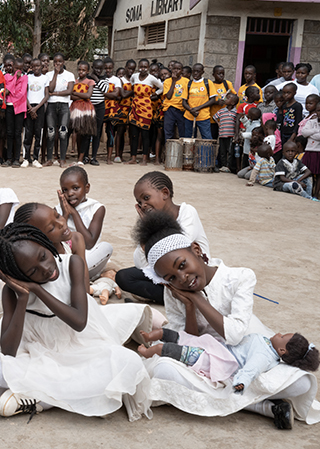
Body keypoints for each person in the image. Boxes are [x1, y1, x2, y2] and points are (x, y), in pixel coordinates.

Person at [131, 212, 320, 429]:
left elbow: (235, 334)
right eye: (171, 278)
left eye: (182, 265)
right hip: (207, 360)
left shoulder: (240, 277)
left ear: (196, 250)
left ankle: (242, 395)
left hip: (246, 354)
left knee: (301, 384)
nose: (181, 278)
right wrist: (189, 308)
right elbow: (188, 342)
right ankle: (262, 406)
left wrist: (196, 298)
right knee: (163, 368)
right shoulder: (173, 292)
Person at [0, 223, 151, 421]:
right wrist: (24, 298)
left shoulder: (72, 264)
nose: (46, 268)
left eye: (43, 256)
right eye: (32, 271)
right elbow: (8, 350)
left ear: (44, 244)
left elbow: (78, 322)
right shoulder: (11, 293)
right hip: (36, 354)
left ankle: (39, 398)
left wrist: (36, 289)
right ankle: (51, 396)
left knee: (128, 362)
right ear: (18, 275)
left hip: (81, 348)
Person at [115, 171, 210, 305]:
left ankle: (185, 299)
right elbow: (141, 265)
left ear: (165, 193)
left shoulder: (187, 212)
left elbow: (174, 250)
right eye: (139, 202)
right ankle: (177, 299)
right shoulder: (153, 223)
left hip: (191, 274)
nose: (143, 205)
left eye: (146, 198)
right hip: (171, 274)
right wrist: (146, 227)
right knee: (123, 277)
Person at [139, 328, 318, 394]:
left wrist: (241, 383)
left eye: (282, 336)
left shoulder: (265, 356)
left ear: (282, 350)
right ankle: (153, 335)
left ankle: (148, 352)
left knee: (173, 350)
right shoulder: (266, 344)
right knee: (175, 334)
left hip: (216, 359)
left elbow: (251, 370)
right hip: (217, 347)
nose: (278, 333)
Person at [55, 166, 112, 280]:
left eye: (75, 188)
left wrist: (74, 214)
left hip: (87, 256)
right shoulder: (58, 210)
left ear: (87, 188)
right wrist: (65, 214)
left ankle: (71, 275)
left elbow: (89, 243)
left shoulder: (97, 208)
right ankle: (72, 275)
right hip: (65, 256)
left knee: (107, 247)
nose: (70, 193)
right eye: (65, 190)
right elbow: (55, 237)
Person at [126, 59, 163, 165]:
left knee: (145, 135)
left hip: (146, 109)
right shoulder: (134, 76)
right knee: (134, 134)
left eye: (145, 67)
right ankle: (133, 158)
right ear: (138, 67)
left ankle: (144, 159)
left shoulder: (152, 79)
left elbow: (162, 88)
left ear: (148, 68)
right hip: (135, 107)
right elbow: (132, 85)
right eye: (141, 66)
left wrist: (153, 95)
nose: (143, 69)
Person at [45, 53, 74, 167]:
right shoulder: (49, 75)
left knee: (63, 132)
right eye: (55, 62)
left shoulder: (69, 75)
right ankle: (49, 159)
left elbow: (69, 91)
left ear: (63, 62)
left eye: (60, 62)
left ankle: (62, 159)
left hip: (64, 106)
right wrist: (55, 75)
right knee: (51, 132)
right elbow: (50, 88)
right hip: (51, 105)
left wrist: (55, 93)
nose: (57, 64)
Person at [71, 61, 97, 165]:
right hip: (75, 109)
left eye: (83, 70)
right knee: (77, 133)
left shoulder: (90, 82)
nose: (81, 72)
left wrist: (75, 93)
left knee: (85, 134)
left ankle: (81, 158)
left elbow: (88, 96)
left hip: (86, 109)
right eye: (79, 69)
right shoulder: (74, 81)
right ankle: (79, 156)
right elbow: (70, 97)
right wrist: (82, 95)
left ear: (87, 71)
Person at [298, 93, 320, 198]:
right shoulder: (312, 121)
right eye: (318, 111)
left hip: (318, 152)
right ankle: (308, 192)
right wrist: (315, 132)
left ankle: (316, 194)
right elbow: (304, 132)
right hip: (309, 150)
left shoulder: (312, 124)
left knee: (318, 174)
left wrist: (312, 134)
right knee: (307, 172)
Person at [213, 92, 239, 172]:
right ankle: (223, 165)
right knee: (222, 151)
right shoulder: (221, 111)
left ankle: (228, 166)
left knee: (230, 151)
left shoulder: (235, 112)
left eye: (228, 98)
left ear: (233, 102)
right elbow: (214, 117)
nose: (225, 100)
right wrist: (218, 123)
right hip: (222, 134)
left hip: (231, 135)